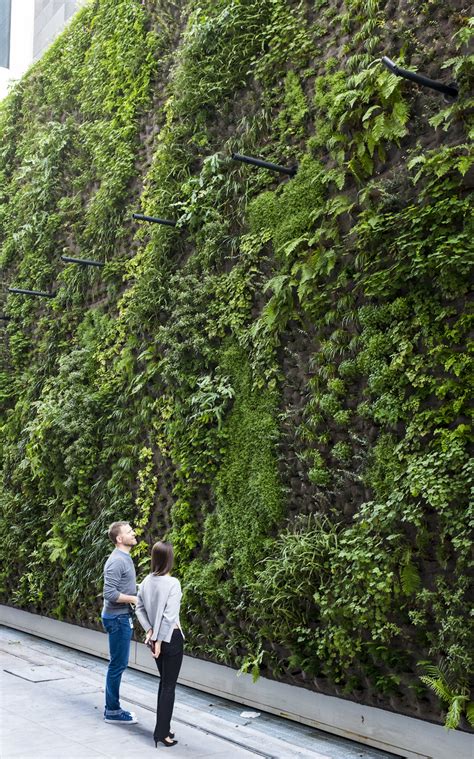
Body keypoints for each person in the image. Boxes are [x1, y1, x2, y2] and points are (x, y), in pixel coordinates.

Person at [136, 541, 184, 748]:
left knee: (163, 683)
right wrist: (159, 641)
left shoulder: (146, 580)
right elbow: (169, 616)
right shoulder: (173, 583)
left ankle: (162, 728)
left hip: (156, 639)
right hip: (170, 639)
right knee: (168, 687)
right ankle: (162, 733)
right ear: (169, 559)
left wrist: (150, 632)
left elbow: (138, 607)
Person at [102, 521, 138, 725]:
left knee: (118, 664)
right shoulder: (117, 561)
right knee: (117, 665)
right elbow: (109, 593)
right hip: (117, 618)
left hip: (120, 617)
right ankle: (112, 711)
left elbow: (123, 586)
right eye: (128, 531)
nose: (133, 533)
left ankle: (112, 709)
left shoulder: (124, 557)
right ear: (119, 539)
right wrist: (135, 599)